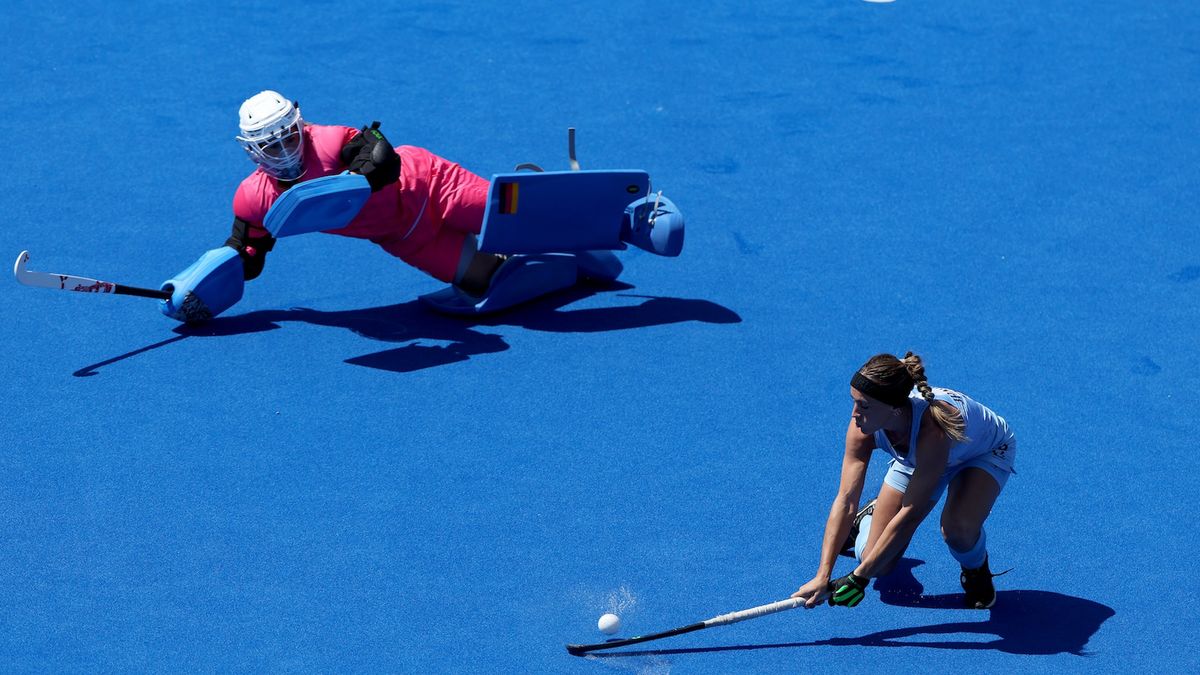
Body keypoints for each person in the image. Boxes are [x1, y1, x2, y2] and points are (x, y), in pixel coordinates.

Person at [790, 352, 1016, 610]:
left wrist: (858, 578)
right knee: (876, 561)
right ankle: (869, 517)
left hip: (983, 453)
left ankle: (976, 570)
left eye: (863, 405)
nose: (854, 414)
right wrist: (823, 575)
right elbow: (846, 499)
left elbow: (910, 515)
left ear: (894, 409)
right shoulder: (864, 426)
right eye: (853, 402)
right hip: (918, 459)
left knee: (957, 528)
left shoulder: (933, 431)